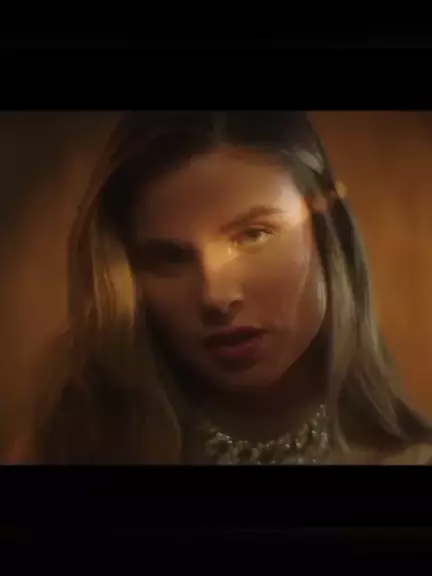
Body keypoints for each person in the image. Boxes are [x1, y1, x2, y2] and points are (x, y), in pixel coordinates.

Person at [35, 111, 432, 464]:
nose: (217, 297)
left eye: (254, 235)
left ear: (329, 237)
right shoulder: (68, 451)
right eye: (170, 258)